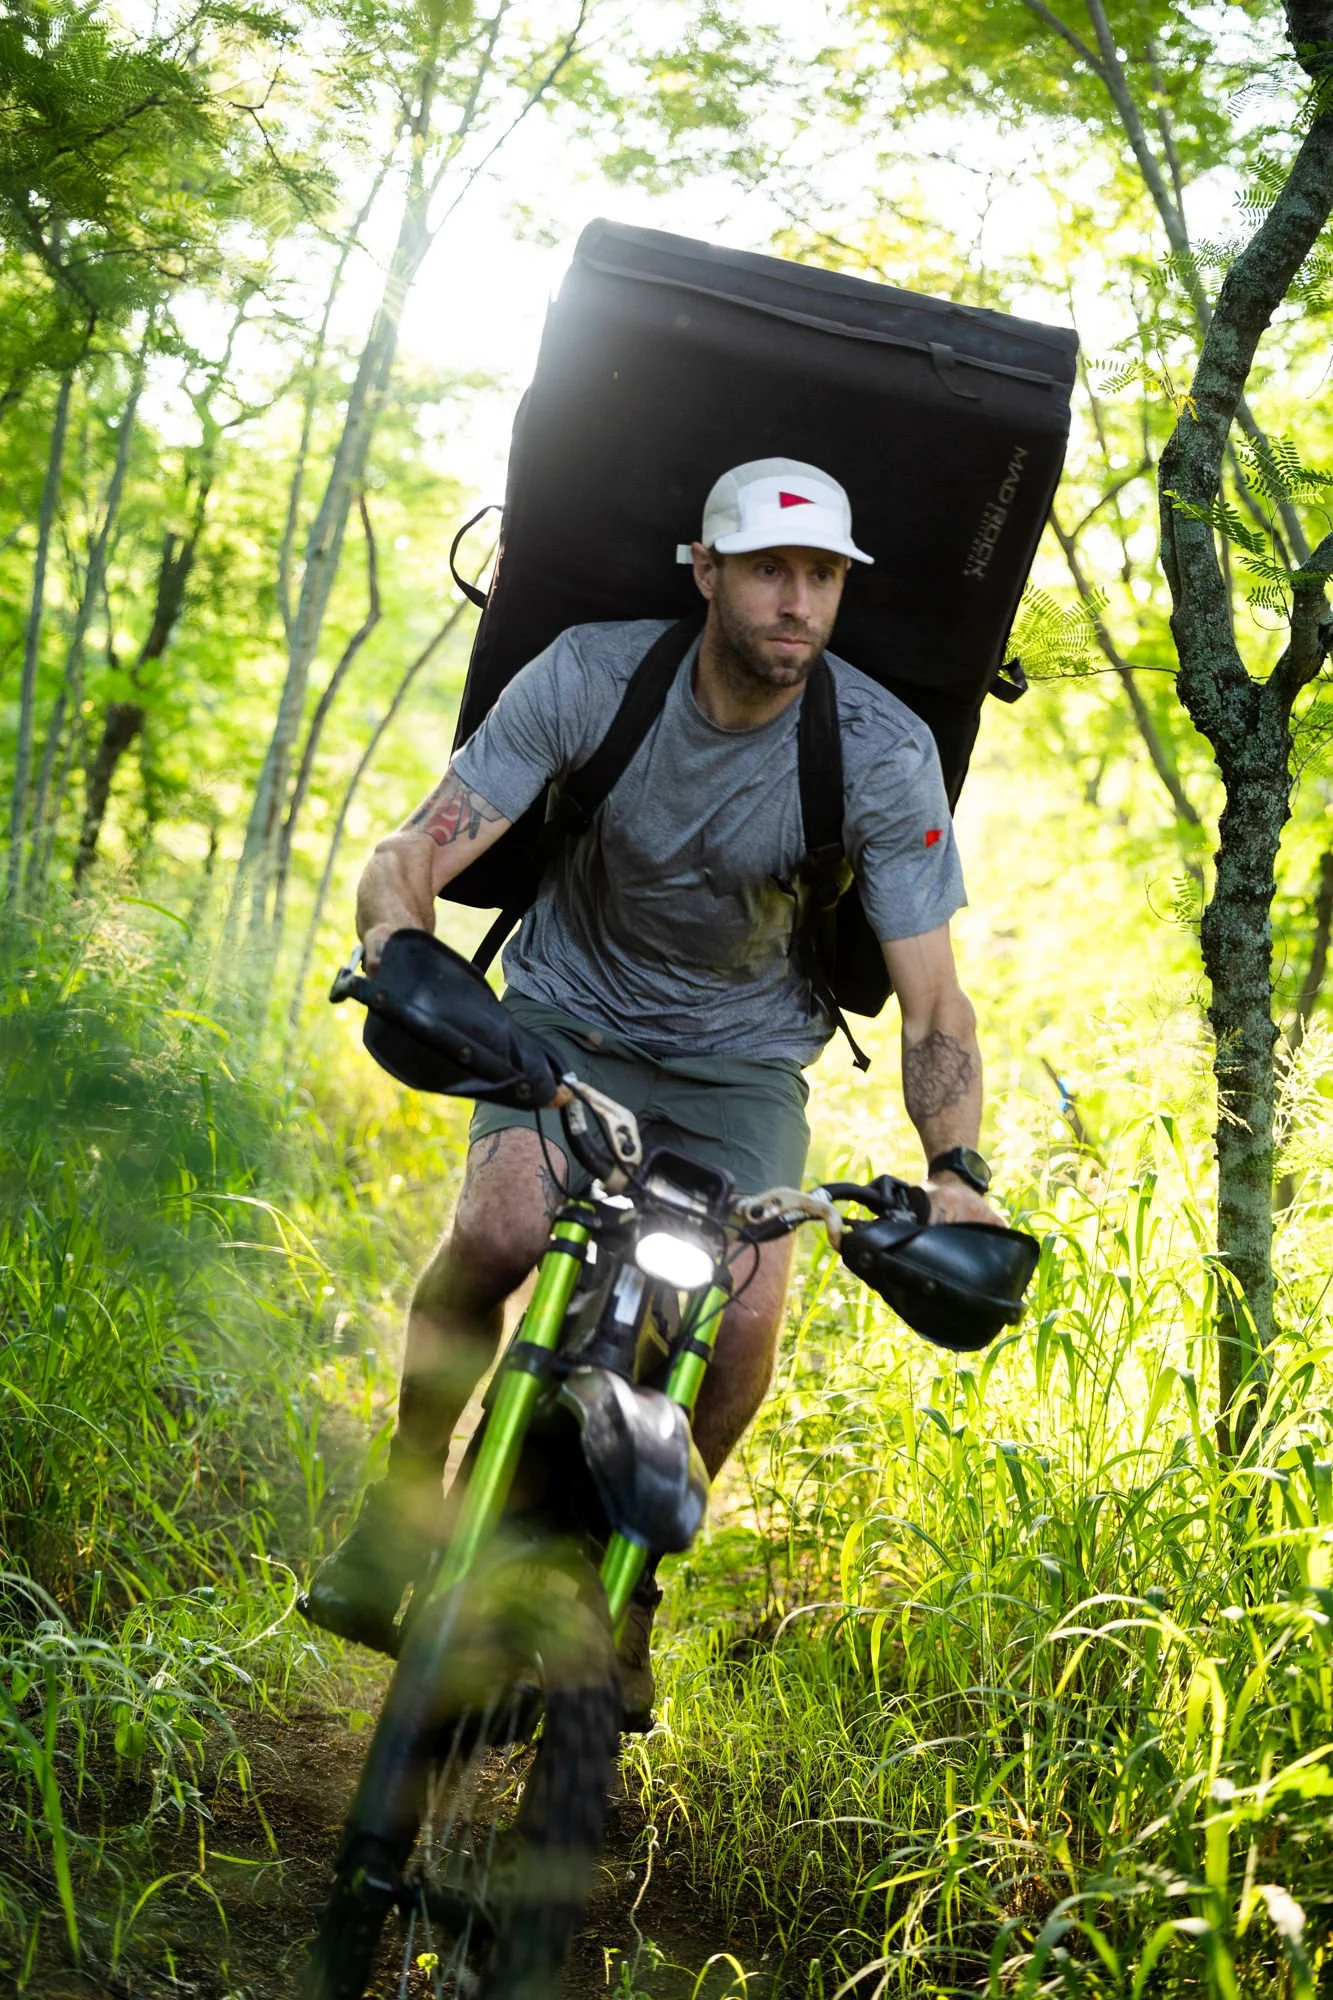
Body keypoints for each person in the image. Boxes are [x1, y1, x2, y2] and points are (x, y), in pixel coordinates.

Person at [304, 457, 1001, 1721]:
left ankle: (631, 1590)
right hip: (565, 1016)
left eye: (823, 575)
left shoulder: (880, 750)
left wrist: (955, 1172)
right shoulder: (591, 673)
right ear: (706, 570)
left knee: (743, 1322)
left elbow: (935, 1003)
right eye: (771, 570)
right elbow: (415, 845)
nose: (798, 601)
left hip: (745, 1063)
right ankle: (402, 1503)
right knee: (499, 1229)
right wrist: (399, 947)